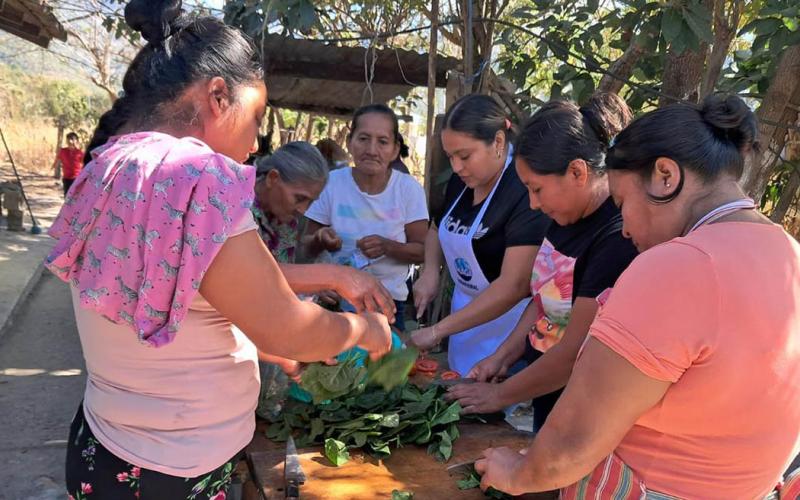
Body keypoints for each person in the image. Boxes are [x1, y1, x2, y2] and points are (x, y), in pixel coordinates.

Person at [47, 2, 393, 497]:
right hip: (168, 470)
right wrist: (363, 329)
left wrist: (262, 343)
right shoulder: (196, 177)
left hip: (104, 447)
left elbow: (173, 296)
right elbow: (290, 328)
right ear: (216, 96)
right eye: (254, 119)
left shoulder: (113, 165)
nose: (254, 146)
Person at [474, 94, 800, 499]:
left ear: (665, 176)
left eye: (622, 202)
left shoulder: (677, 265)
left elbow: (569, 447)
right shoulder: (790, 253)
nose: (624, 228)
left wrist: (517, 471)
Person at [447, 94, 638, 432]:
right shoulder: (566, 217)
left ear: (577, 172)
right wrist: (501, 357)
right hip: (546, 395)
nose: (533, 204)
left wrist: (499, 396)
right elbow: (545, 301)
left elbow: (572, 353)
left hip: (583, 410)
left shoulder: (616, 238)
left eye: (537, 189)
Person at [409, 94, 550, 376]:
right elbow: (438, 227)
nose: (457, 167)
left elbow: (514, 285)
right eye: (451, 157)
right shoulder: (460, 183)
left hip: (509, 330)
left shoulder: (523, 191)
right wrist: (430, 272)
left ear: (498, 142)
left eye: (465, 156)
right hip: (464, 323)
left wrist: (438, 330)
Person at [304, 104, 429, 332]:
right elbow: (305, 247)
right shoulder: (331, 184)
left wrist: (388, 247)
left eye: (382, 141)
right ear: (350, 142)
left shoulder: (409, 190)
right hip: (334, 303)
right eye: (363, 138)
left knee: (382, 366)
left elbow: (423, 251)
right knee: (333, 366)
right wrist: (320, 240)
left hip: (387, 304)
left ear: (394, 149)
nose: (372, 150)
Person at [252, 141, 328, 263]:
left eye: (310, 202)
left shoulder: (290, 220)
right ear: (272, 178)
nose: (303, 210)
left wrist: (317, 244)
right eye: (299, 198)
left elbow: (290, 262)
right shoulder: (237, 209)